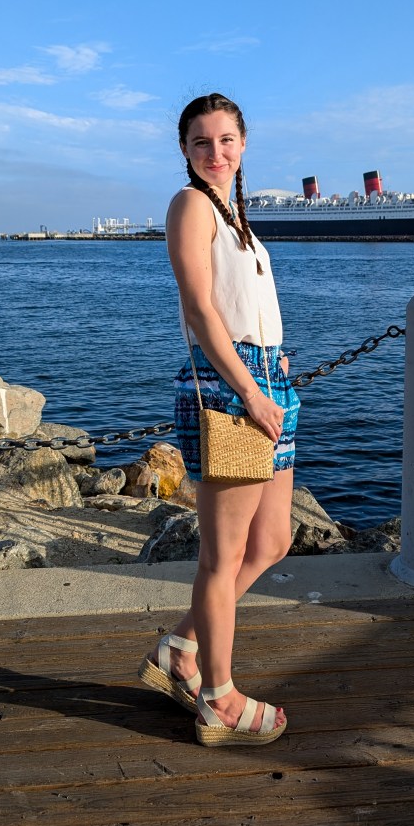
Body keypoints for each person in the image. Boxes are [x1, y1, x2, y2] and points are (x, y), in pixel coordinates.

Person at [138, 92, 300, 747]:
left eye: (226, 139)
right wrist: (249, 390)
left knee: (271, 543)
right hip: (228, 388)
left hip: (268, 380)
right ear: (184, 149)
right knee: (222, 553)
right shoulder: (189, 206)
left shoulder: (238, 219)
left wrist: (275, 368)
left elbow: (244, 302)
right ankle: (217, 697)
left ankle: (179, 647)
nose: (215, 152)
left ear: (243, 144)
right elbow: (202, 312)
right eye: (201, 142)